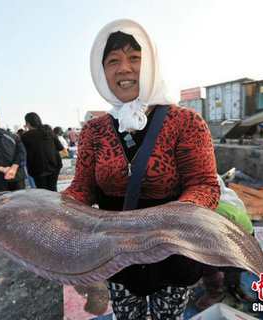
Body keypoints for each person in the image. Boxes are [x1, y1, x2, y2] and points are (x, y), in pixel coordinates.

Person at [62, 20, 220, 319]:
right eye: (112, 61)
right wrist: (58, 209)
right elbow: (83, 186)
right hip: (115, 254)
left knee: (168, 315)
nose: (123, 68)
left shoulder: (185, 122)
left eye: (134, 57)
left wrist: (167, 221)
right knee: (126, 315)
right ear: (101, 72)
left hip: (172, 251)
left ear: (151, 65)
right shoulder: (94, 130)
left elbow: (204, 185)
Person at [196, 174, 254, 310]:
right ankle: (233, 287)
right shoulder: (229, 199)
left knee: (198, 258)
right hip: (248, 251)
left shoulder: (209, 208)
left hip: (238, 254)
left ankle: (216, 292)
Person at [21, 113, 64, 191]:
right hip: (54, 166)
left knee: (42, 192)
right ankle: (55, 203)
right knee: (53, 189)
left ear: (28, 123)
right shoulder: (49, 132)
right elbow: (60, 147)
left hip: (37, 169)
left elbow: (22, 153)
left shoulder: (25, 136)